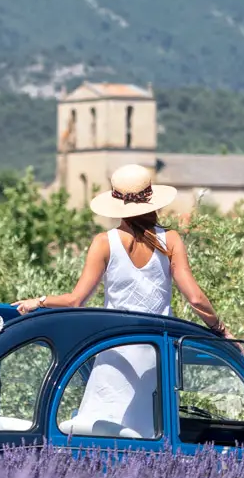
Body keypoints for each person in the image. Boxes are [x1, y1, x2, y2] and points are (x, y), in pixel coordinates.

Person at [13, 164, 231, 437]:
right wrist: (222, 330)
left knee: (102, 432)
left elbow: (74, 300)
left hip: (116, 348)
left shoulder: (104, 243)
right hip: (157, 352)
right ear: (152, 201)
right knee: (155, 434)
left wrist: (40, 300)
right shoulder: (171, 240)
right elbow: (196, 299)